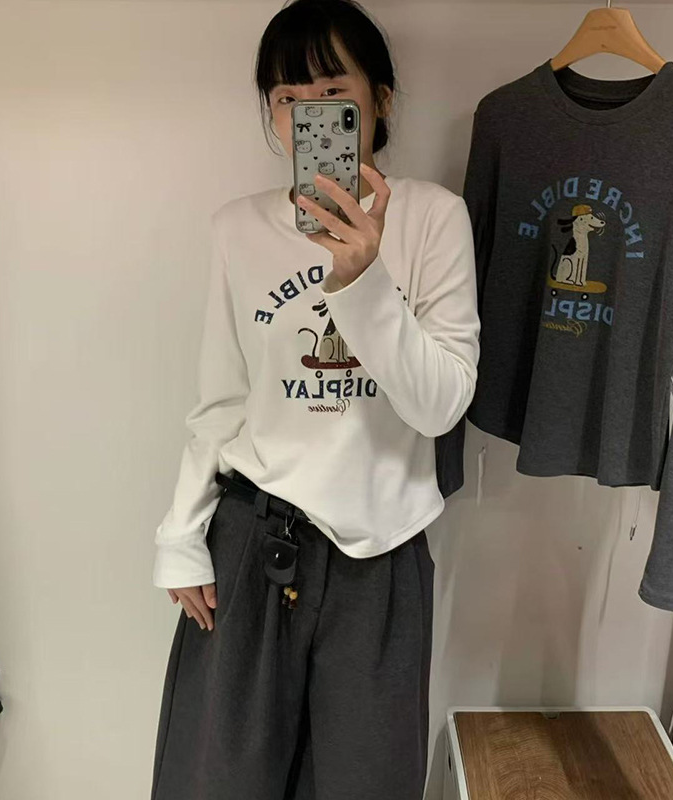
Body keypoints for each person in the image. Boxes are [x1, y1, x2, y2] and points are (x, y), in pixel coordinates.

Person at [150, 1, 480, 798]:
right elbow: (222, 400)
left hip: (382, 557)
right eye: (287, 98)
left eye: (331, 92)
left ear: (380, 100)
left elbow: (440, 407)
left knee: (367, 783)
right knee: (220, 781)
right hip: (252, 540)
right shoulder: (238, 230)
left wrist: (363, 279)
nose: (307, 114)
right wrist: (180, 535)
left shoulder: (433, 219)